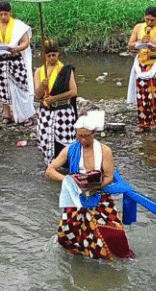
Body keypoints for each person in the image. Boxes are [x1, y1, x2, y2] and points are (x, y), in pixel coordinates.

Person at [46, 111, 134, 259]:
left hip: (98, 196)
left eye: (85, 136)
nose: (81, 139)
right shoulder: (70, 149)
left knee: (114, 234)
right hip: (76, 198)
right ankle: (79, 258)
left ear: (94, 133)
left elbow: (109, 177)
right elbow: (50, 171)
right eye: (79, 135)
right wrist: (68, 180)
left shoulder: (105, 151)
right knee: (68, 235)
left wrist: (94, 185)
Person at [0, 1, 35, 125]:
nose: (3, 17)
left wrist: (17, 48)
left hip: (15, 60)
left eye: (6, 14)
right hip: (0, 62)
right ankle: (7, 115)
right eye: (0, 14)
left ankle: (25, 116)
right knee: (3, 88)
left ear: (10, 12)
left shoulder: (19, 26)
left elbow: (25, 42)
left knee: (21, 88)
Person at [126, 6, 156, 133]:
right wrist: (139, 43)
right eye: (147, 19)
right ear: (144, 17)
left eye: (152, 20)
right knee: (142, 95)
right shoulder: (138, 28)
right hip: (141, 64)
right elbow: (130, 45)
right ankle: (144, 124)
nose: (150, 23)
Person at [34, 40, 78, 166]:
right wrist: (43, 85)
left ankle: (67, 165)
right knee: (47, 140)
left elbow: (73, 92)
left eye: (54, 55)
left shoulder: (66, 70)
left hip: (63, 111)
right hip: (46, 112)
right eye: (49, 56)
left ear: (58, 55)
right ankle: (50, 165)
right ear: (44, 56)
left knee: (65, 141)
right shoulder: (39, 72)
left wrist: (55, 98)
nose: (52, 58)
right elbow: (38, 95)